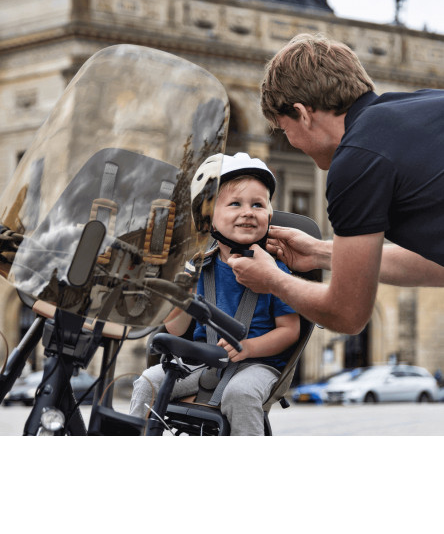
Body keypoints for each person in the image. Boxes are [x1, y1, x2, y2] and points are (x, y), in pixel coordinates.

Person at [227, 32, 444, 336]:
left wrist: (273, 279)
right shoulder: (423, 104)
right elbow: (438, 265)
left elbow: (347, 314)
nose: (290, 142)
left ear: (302, 114)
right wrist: (322, 253)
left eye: (284, 130)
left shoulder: (355, 160)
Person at [129, 152, 301, 435]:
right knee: (149, 381)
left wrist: (249, 348)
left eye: (257, 204)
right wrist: (178, 292)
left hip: (258, 364)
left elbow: (289, 331)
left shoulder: (275, 270)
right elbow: (176, 328)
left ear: (269, 213)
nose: (247, 211)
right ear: (208, 218)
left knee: (240, 395)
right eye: (235, 203)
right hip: (201, 361)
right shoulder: (198, 267)